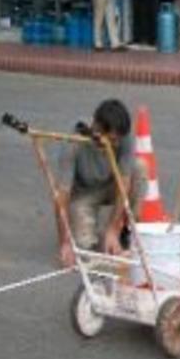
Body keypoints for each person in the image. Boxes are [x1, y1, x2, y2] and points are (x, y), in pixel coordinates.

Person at [54, 99, 146, 267]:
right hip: (84, 194)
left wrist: (114, 228)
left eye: (119, 139)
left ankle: (126, 231)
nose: (117, 144)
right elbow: (62, 196)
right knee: (83, 249)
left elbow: (124, 183)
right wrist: (64, 242)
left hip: (111, 184)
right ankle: (91, 238)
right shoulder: (74, 141)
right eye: (112, 139)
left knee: (139, 168)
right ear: (96, 128)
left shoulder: (124, 136)